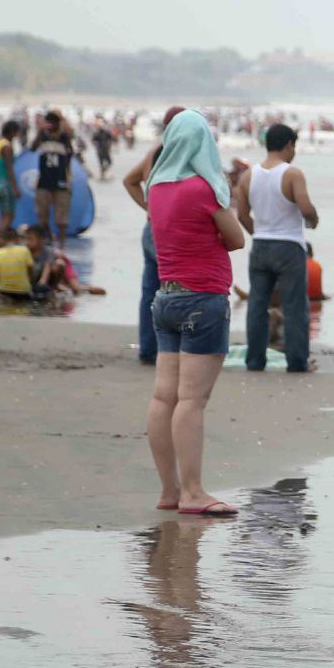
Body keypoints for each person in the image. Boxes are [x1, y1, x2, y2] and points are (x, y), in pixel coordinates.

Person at [146, 110, 246, 517]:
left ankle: (169, 489)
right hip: (202, 299)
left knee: (163, 396)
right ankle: (192, 492)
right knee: (191, 400)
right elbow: (236, 239)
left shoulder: (157, 187)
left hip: (166, 298)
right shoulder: (203, 188)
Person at [236, 124, 319, 374]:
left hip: (261, 245)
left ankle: (254, 360)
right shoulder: (292, 174)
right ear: (289, 145)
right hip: (289, 245)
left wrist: (259, 233)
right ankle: (296, 362)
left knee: (257, 305)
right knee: (294, 306)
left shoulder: (248, 176)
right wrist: (313, 219)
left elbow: (241, 214)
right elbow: (305, 208)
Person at [123, 107, 186, 365]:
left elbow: (130, 180)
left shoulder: (154, 151)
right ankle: (171, 350)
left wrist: (150, 208)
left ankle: (148, 349)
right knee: (174, 290)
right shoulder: (176, 154)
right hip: (167, 231)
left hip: (151, 228)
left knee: (150, 291)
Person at [31, 111, 79, 247]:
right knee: (42, 215)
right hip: (44, 181)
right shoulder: (42, 136)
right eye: (49, 121)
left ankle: (61, 244)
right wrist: (40, 132)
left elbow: (71, 139)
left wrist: (62, 124)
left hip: (61, 181)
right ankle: (49, 237)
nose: (50, 125)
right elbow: (33, 148)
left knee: (62, 217)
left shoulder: (64, 137)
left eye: (54, 122)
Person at [0, 121, 21, 239]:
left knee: (3, 216)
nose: (17, 136)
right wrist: (15, 188)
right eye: (16, 133)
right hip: (5, 184)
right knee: (8, 217)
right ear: (12, 132)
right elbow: (9, 169)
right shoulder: (7, 147)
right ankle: (0, 242)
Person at [0, 227, 35, 299]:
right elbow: (31, 272)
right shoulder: (25, 250)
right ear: (17, 239)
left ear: (2, 240)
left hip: (4, 292)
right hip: (24, 292)